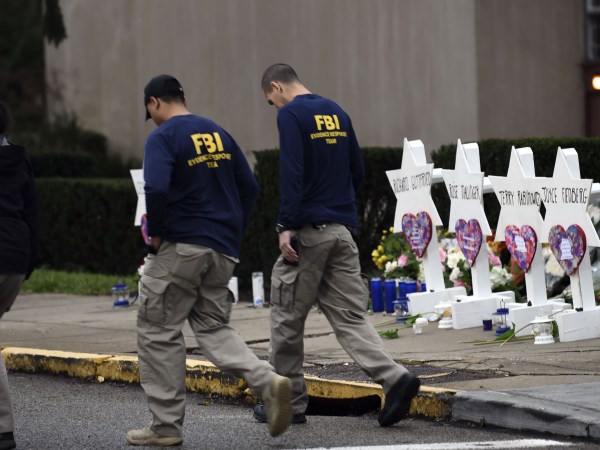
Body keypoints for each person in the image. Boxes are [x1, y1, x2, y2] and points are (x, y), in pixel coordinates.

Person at [126, 75, 293, 446]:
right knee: (213, 328)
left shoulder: (163, 137)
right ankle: (267, 380)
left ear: (154, 103)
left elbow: (155, 187)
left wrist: (157, 236)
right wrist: (231, 229)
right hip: (222, 249)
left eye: (149, 110)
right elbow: (249, 188)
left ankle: (166, 427)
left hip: (181, 247)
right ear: (183, 96)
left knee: (157, 329)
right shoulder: (218, 132)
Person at [253, 64, 420, 427]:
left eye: (271, 101)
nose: (275, 107)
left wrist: (286, 225)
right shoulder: (337, 111)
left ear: (277, 87)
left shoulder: (292, 114)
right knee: (350, 319)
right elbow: (356, 169)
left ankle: (288, 404)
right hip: (342, 233)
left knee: (286, 320)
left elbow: (292, 171)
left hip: (308, 234)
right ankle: (396, 379)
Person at [0, 101, 40, 450]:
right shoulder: (18, 160)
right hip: (14, 258)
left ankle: (3, 429)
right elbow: (33, 214)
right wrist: (28, 265)